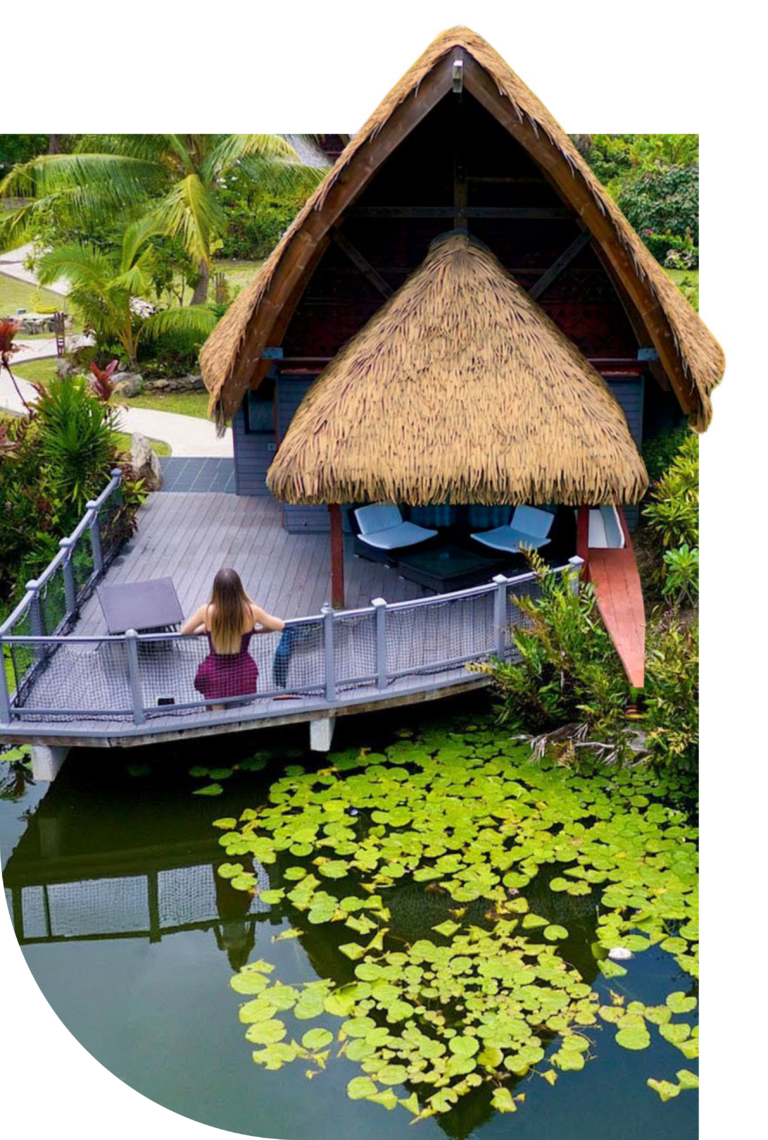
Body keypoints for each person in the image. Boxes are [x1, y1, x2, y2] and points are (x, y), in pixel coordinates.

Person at [181, 569, 285, 711]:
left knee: (217, 719)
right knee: (240, 714)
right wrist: (256, 630)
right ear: (239, 588)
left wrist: (206, 627)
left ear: (216, 589)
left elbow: (185, 631)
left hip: (215, 673)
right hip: (242, 672)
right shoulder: (251, 611)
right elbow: (279, 625)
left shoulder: (206, 611)